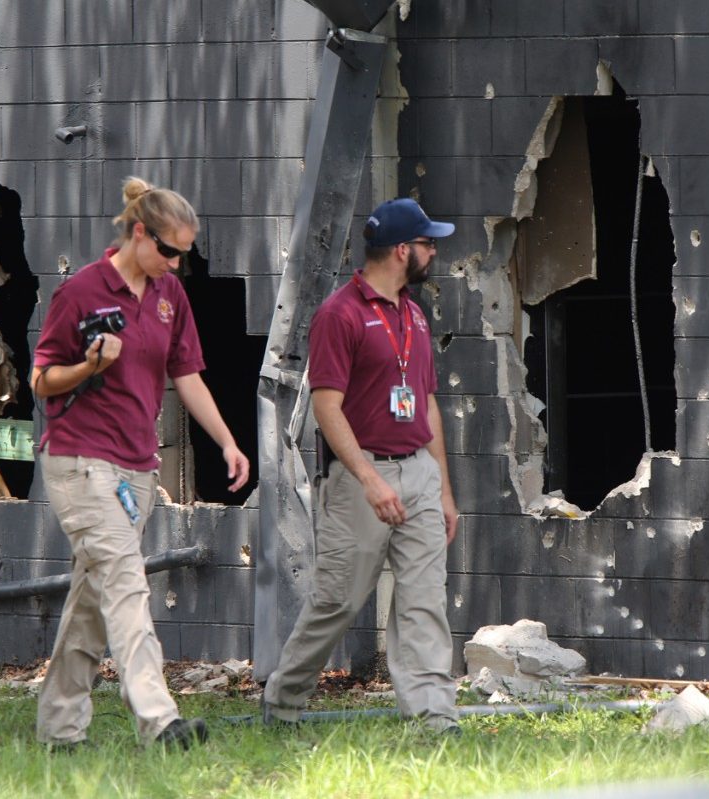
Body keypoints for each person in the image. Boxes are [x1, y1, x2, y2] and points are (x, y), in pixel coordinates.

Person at [31, 176, 250, 750]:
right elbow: (41, 379)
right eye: (169, 251)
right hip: (79, 462)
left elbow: (187, 376)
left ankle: (59, 730)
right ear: (139, 233)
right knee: (126, 584)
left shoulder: (168, 295)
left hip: (137, 470)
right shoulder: (80, 292)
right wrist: (87, 368)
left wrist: (227, 441)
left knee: (92, 606)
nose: (177, 265)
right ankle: (160, 722)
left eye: (185, 253)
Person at [262, 198, 461, 734]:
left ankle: (433, 716)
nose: (433, 251)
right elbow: (326, 407)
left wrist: (441, 488)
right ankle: (283, 701)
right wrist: (370, 480)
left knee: (424, 602)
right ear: (402, 251)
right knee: (338, 601)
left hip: (418, 471)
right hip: (359, 479)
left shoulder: (414, 314)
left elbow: (426, 402)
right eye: (427, 244)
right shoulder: (341, 314)